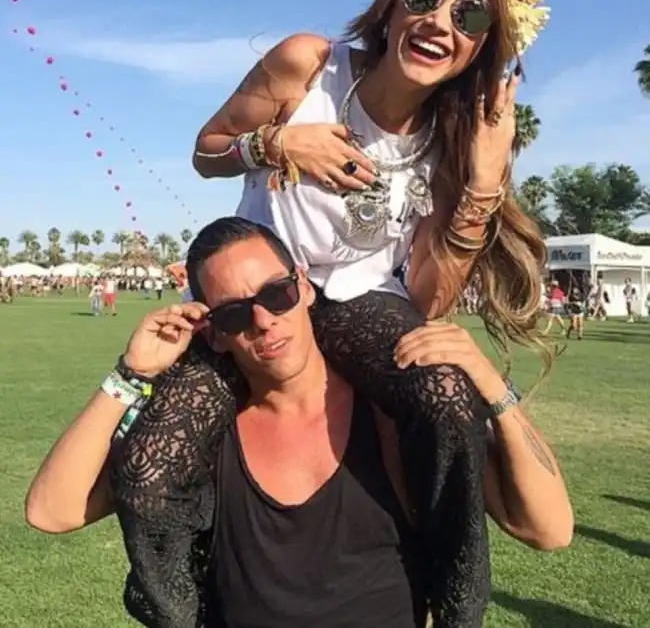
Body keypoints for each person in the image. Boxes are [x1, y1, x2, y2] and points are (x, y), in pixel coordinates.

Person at [110, 0, 552, 625]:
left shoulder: (454, 139)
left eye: (468, 14)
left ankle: (454, 604)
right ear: (391, 0)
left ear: (481, 45)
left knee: (446, 397)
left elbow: (429, 299)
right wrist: (277, 144)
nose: (440, 20)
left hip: (362, 303)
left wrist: (481, 185)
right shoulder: (309, 65)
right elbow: (205, 150)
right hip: (259, 293)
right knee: (147, 465)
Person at [25, 217, 573, 628]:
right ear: (214, 332)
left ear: (305, 287)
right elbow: (52, 510)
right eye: (235, 313)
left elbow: (548, 529)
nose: (264, 321)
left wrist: (492, 387)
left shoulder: (388, 415)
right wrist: (131, 374)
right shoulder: (203, 436)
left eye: (276, 294)